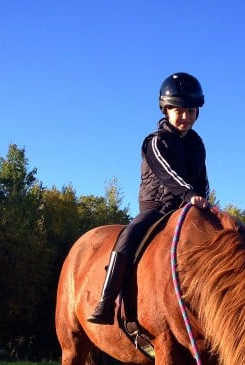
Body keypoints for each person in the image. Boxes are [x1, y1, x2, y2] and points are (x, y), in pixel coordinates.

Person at [88, 72, 211, 325]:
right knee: (130, 235)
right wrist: (189, 195)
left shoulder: (197, 144)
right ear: (166, 110)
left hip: (186, 209)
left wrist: (203, 202)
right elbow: (167, 173)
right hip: (157, 207)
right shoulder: (155, 141)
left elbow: (202, 178)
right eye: (179, 110)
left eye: (190, 111)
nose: (185, 116)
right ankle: (107, 300)